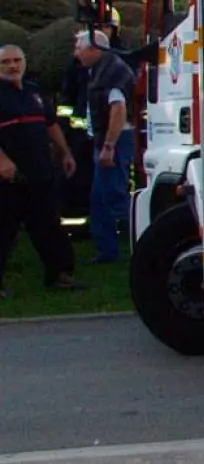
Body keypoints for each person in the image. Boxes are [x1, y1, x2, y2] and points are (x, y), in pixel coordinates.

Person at [0, 44, 83, 298]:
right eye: (6, 62)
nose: (13, 66)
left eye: (17, 60)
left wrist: (65, 152)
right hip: (8, 176)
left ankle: (60, 276)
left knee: (49, 226)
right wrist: (2, 161)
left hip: (40, 172)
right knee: (3, 230)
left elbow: (50, 124)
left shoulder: (34, 93)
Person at [73, 28, 137, 264]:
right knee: (103, 198)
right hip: (108, 140)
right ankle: (109, 251)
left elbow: (118, 109)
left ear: (94, 49)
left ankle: (138, 248)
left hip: (114, 142)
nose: (75, 53)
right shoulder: (102, 70)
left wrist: (109, 146)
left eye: (78, 48)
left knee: (111, 197)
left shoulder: (112, 72)